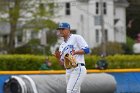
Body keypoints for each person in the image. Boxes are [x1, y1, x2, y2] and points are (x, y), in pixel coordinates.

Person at [54, 22, 90, 93]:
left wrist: (75, 52)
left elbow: (87, 50)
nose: (60, 31)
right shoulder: (61, 46)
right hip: (68, 70)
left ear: (68, 30)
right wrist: (58, 58)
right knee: (74, 91)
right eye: (59, 29)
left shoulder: (76, 37)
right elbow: (62, 63)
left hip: (77, 67)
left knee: (70, 91)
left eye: (62, 29)